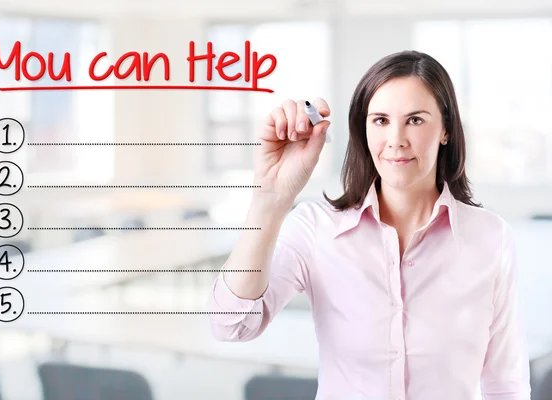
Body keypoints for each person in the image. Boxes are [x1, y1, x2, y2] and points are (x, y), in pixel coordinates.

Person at [206, 50, 531, 399]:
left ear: (446, 129)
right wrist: (269, 201)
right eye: (380, 120)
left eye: (415, 120)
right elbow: (232, 325)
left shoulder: (489, 238)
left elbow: (505, 384)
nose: (396, 140)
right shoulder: (317, 229)